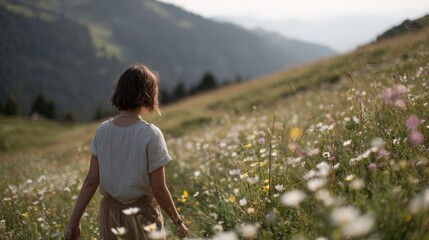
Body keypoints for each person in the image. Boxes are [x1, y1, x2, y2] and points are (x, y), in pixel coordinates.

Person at [65, 64, 188, 239]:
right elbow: (159, 189)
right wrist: (178, 222)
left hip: (110, 216)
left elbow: (91, 182)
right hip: (143, 216)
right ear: (148, 94)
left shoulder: (102, 131)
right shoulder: (151, 134)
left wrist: (74, 223)